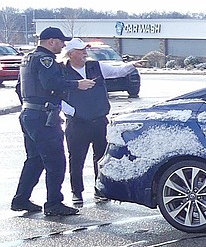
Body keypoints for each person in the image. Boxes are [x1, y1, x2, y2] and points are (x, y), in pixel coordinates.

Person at [11, 27, 95, 216]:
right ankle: (54, 204)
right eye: (61, 41)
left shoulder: (28, 59)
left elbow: (19, 88)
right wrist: (77, 85)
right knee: (56, 161)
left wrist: (31, 104)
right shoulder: (45, 60)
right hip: (43, 118)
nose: (63, 45)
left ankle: (21, 199)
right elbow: (51, 84)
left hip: (29, 114)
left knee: (35, 160)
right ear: (51, 41)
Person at [59, 39, 143, 204]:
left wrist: (133, 65)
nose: (85, 53)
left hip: (99, 121)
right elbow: (56, 96)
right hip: (77, 124)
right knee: (76, 159)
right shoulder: (61, 71)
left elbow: (117, 72)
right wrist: (73, 112)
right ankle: (77, 192)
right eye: (81, 50)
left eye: (85, 50)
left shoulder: (95, 66)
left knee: (102, 158)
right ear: (70, 54)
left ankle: (100, 189)